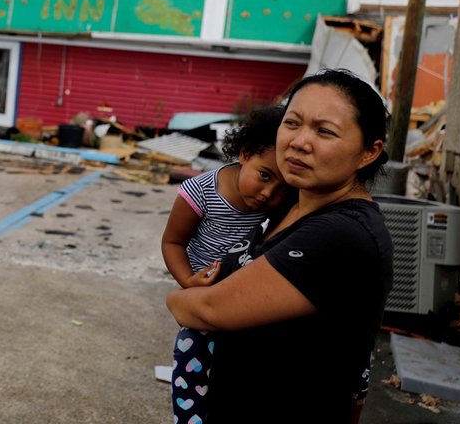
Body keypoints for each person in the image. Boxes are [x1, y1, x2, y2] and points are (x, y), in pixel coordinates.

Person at [166, 69, 393, 423]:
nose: (300, 142)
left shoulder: (342, 233)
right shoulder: (290, 203)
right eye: (292, 123)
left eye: (324, 131)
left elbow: (206, 310)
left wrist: (177, 299)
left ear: (368, 152)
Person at [161, 105, 290, 422]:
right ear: (245, 153)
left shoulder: (280, 207)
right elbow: (172, 243)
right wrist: (188, 282)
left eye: (282, 188)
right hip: (204, 300)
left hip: (248, 305)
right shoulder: (200, 192)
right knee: (194, 366)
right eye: (264, 175)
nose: (268, 193)